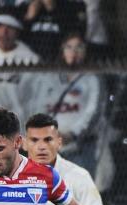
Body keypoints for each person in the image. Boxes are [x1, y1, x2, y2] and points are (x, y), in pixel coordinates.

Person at [22, 32, 106, 175]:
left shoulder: (92, 79)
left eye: (79, 47)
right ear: (62, 50)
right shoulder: (49, 77)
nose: (74, 52)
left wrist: (73, 134)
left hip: (79, 147)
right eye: (69, 47)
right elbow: (38, 106)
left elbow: (93, 111)